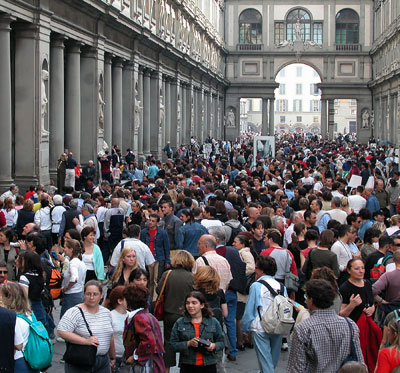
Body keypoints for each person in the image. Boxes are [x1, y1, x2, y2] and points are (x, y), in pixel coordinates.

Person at [288, 279, 364, 372]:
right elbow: (359, 362)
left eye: (306, 297)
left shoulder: (303, 328)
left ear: (311, 300)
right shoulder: (349, 325)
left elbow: (296, 368)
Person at [58, 280, 116, 372]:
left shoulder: (106, 313)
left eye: (95, 294)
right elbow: (62, 331)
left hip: (102, 361)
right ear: (84, 295)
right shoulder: (74, 312)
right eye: (88, 294)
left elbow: (110, 335)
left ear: (101, 295)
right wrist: (85, 341)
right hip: (81, 360)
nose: (91, 297)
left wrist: (113, 356)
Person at [241, 255, 287, 372]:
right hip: (277, 326)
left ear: (261, 270)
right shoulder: (281, 287)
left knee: (265, 361)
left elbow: (250, 309)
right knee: (272, 360)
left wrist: (245, 328)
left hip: (260, 326)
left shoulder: (256, 286)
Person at [339, 258, 382, 372]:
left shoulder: (367, 283)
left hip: (368, 326)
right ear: (349, 270)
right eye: (357, 268)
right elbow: (341, 314)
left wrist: (372, 308)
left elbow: (372, 302)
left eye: (362, 268)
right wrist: (352, 305)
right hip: (353, 329)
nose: (361, 271)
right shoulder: (345, 288)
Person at [156, 250, 195, 372]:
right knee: (188, 342)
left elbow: (158, 290)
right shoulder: (192, 278)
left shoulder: (168, 274)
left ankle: (166, 369)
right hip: (187, 314)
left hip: (169, 313)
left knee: (168, 342)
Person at [170, 291, 225, 373]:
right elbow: (172, 345)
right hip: (188, 364)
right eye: (188, 303)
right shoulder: (180, 322)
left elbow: (222, 342)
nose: (190, 306)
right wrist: (188, 343)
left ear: (202, 305)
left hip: (208, 364)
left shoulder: (213, 322)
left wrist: (213, 346)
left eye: (194, 303)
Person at [123, 284, 165, 372]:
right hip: (152, 362)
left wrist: (135, 356)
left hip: (147, 365)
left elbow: (149, 341)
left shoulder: (139, 318)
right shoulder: (147, 315)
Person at [193, 266, 228, 372]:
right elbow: (225, 313)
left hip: (197, 332)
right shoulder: (220, 292)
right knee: (217, 364)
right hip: (216, 333)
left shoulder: (194, 293)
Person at [0, 282, 37, 373]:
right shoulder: (29, 313)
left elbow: (18, 345)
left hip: (19, 361)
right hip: (32, 357)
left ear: (8, 298)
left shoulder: (13, 318)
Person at [232, 234, 255, 350]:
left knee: (239, 316)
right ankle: (246, 339)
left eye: (235, 242)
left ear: (242, 244)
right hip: (243, 289)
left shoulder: (244, 253)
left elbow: (251, 267)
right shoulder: (243, 253)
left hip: (242, 290)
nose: (233, 244)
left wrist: (238, 273)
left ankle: (241, 341)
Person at [17, 251, 49, 333]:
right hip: (39, 305)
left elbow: (24, 295)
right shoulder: (41, 276)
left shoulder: (24, 277)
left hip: (29, 306)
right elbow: (41, 290)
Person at [140, 214, 170, 298]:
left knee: (156, 279)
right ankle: (148, 297)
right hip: (148, 259)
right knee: (148, 279)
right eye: (150, 220)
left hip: (158, 258)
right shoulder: (143, 232)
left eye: (153, 221)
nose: (150, 222)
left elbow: (166, 247)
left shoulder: (162, 233)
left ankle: (155, 298)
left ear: (157, 223)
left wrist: (167, 260)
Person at [59, 238, 87, 320]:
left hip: (71, 296)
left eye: (65, 247)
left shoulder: (73, 263)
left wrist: (66, 288)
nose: (64, 249)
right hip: (79, 294)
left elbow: (74, 278)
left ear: (71, 249)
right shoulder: (81, 262)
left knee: (66, 321)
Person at [107, 286, 130, 373]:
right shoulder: (110, 316)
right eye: (127, 298)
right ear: (119, 301)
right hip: (114, 357)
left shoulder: (131, 315)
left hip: (127, 357)